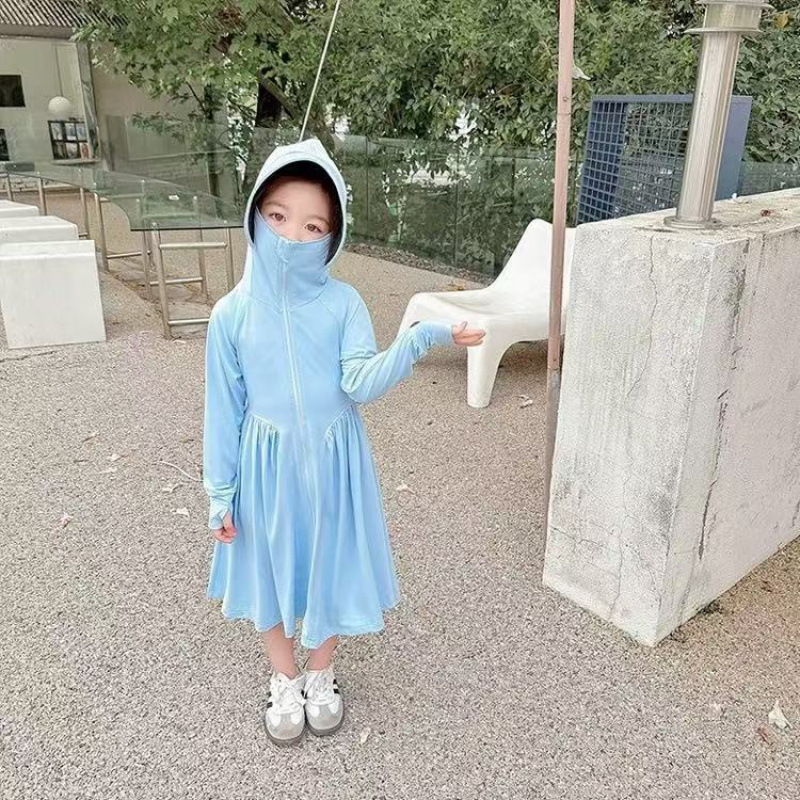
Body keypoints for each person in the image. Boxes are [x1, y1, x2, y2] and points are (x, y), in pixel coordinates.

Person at [203, 138, 485, 746]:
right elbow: (223, 408)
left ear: (332, 236)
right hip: (265, 465)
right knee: (268, 567)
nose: (292, 236)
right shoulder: (230, 314)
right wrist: (220, 491)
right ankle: (284, 677)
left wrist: (420, 337)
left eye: (313, 226)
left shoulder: (343, 303)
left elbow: (358, 382)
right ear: (254, 215)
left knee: (330, 561)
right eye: (278, 215)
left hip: (336, 461)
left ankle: (321, 671)